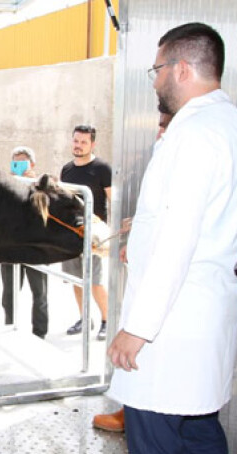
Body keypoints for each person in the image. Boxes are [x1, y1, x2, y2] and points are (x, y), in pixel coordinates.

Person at [95, 22, 237, 454]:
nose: (155, 81)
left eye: (158, 69)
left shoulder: (191, 134)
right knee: (201, 429)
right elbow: (209, 223)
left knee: (152, 442)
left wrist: (136, 328)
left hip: (169, 322)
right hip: (207, 311)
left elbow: (178, 239)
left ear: (183, 69)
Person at [93, 109, 174, 433]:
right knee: (143, 360)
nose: (159, 134)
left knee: (162, 357)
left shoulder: (190, 158)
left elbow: (177, 231)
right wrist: (136, 238)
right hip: (146, 271)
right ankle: (130, 411)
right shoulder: (159, 160)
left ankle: (172, 445)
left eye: (165, 127)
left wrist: (136, 328)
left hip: (170, 282)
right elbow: (154, 216)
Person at [60, 125, 113, 340]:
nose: (78, 146)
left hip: (94, 236)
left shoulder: (102, 169)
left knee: (96, 282)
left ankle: (107, 321)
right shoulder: (66, 169)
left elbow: (112, 200)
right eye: (76, 141)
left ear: (92, 144)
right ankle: (84, 318)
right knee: (76, 280)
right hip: (71, 234)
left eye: (83, 142)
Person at [0, 146, 49, 339]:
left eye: (23, 163)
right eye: (15, 163)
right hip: (10, 247)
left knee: (39, 293)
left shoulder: (43, 185)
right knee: (9, 294)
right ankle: (9, 327)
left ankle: (39, 332)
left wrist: (33, 183)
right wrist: (10, 183)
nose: (19, 167)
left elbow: (46, 212)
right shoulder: (6, 185)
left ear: (32, 164)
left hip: (36, 247)